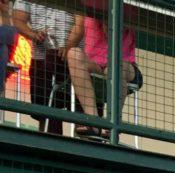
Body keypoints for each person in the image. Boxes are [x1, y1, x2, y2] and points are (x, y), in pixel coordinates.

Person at [66, 12, 141, 140]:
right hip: (96, 64)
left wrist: (105, 17)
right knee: (73, 53)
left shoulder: (126, 8)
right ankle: (93, 121)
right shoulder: (88, 6)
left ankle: (112, 123)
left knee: (114, 67)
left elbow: (111, 34)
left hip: (125, 66)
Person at [12, 0, 77, 136]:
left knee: (72, 104)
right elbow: (18, 20)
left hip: (71, 58)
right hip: (40, 56)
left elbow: (81, 23)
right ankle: (45, 139)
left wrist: (69, 46)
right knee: (42, 107)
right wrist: (33, 34)